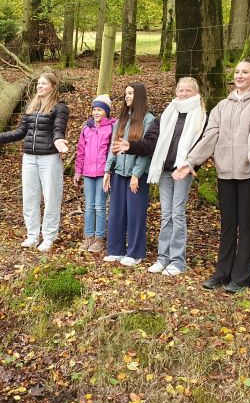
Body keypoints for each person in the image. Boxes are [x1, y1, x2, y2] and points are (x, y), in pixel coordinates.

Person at [173, 59, 250, 293]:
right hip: (225, 173)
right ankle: (222, 274)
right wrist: (191, 162)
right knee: (228, 223)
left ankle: (242, 278)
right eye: (237, 71)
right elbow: (210, 136)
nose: (239, 75)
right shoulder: (222, 106)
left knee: (246, 224)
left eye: (245, 72)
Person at [113, 77, 206, 274]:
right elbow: (150, 142)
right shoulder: (167, 114)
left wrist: (192, 165)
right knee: (166, 215)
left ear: (196, 93)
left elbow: (202, 146)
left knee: (177, 214)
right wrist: (131, 146)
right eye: (180, 90)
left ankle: (177, 261)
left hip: (183, 171)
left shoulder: (200, 116)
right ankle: (163, 258)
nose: (182, 94)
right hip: (164, 171)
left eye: (187, 91)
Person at [0, 72, 69, 252]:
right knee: (30, 197)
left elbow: (58, 129)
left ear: (53, 86)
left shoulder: (60, 107)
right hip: (29, 158)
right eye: (38, 83)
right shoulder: (31, 105)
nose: (40, 86)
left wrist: (59, 141)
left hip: (49, 159)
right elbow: (21, 131)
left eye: (44, 83)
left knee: (51, 197)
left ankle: (49, 237)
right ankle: (32, 235)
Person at [103, 82, 154, 266]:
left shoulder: (148, 120)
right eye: (126, 93)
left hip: (136, 176)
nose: (127, 96)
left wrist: (136, 174)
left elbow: (147, 150)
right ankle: (116, 250)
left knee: (135, 214)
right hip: (118, 173)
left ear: (139, 95)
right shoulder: (121, 120)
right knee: (116, 212)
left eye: (131, 93)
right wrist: (108, 170)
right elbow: (113, 147)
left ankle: (135, 252)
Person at [74, 95, 116, 253]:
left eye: (99, 109)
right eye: (94, 109)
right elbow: (81, 151)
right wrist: (78, 171)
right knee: (89, 206)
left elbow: (112, 152)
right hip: (88, 173)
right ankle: (88, 237)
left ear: (106, 111)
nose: (96, 112)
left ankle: (99, 238)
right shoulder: (87, 128)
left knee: (100, 206)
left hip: (103, 173)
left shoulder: (111, 127)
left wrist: (109, 171)